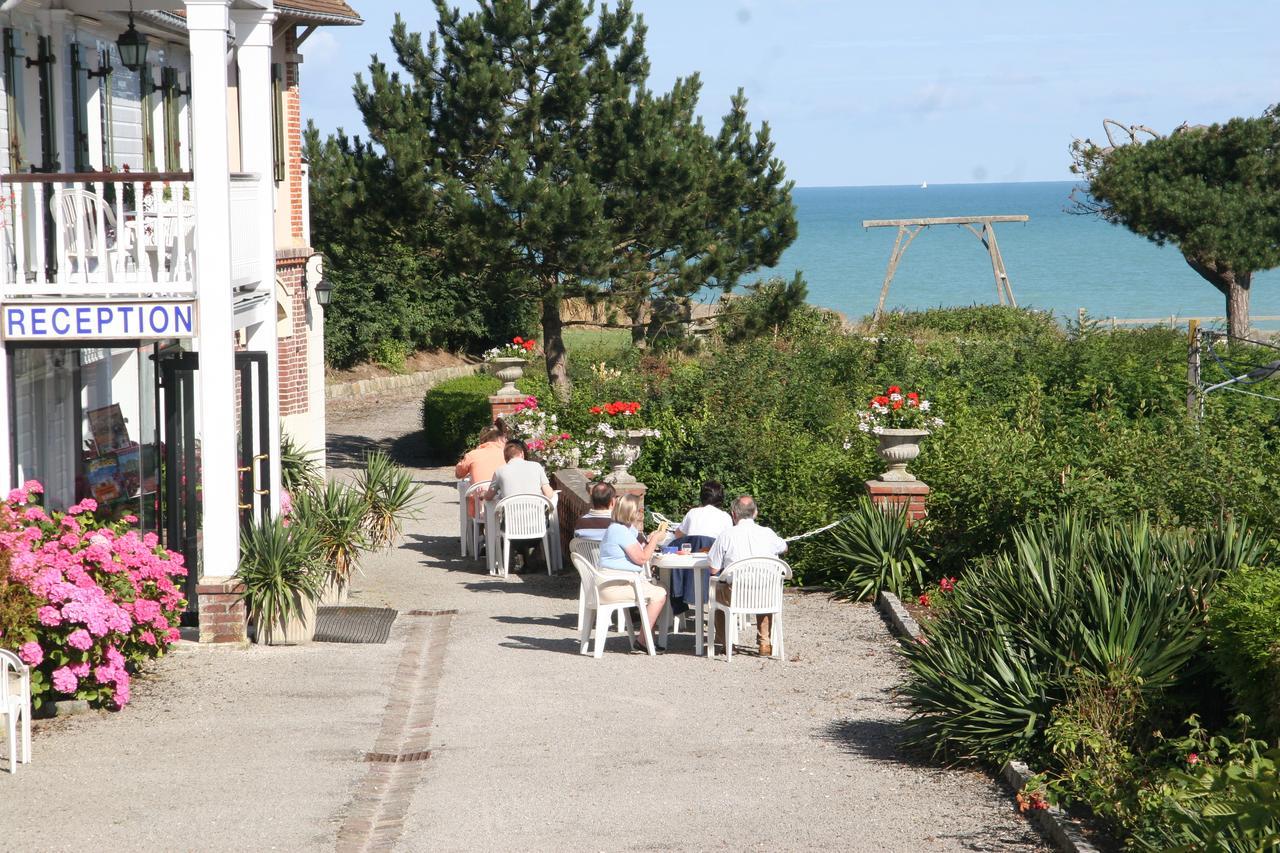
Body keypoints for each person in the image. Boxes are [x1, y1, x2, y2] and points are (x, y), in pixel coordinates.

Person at [707, 495, 787, 656]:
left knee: (716, 591)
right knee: (763, 586)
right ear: (755, 513)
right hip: (767, 594)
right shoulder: (768, 533)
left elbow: (713, 570)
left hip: (736, 594)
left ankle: (727, 643)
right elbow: (784, 547)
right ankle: (765, 643)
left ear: (733, 514)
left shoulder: (726, 535)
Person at [597, 494, 669, 647]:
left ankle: (649, 637)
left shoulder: (620, 529)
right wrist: (656, 539)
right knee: (660, 593)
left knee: (661, 587)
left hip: (613, 583)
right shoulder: (620, 531)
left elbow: (636, 551)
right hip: (616, 586)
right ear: (631, 512)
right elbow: (642, 558)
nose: (640, 514)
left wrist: (649, 541)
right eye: (639, 510)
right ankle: (643, 642)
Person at [485, 439, 556, 571]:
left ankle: (514, 558)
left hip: (512, 526)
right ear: (522, 454)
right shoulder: (536, 467)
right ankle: (529, 558)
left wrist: (484, 493)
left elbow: (489, 496)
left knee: (502, 524)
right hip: (537, 523)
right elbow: (549, 494)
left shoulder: (500, 471)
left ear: (506, 457)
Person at [669, 480, 733, 614]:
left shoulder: (692, 513)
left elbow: (678, 535)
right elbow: (729, 541)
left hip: (690, 568)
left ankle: (679, 602)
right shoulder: (725, 517)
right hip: (714, 569)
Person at [455, 419, 509, 517]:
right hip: (505, 503)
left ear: (482, 440)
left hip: (481, 506)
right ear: (499, 438)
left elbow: (458, 474)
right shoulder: (507, 454)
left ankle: (478, 530)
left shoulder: (472, 455)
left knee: (473, 497)